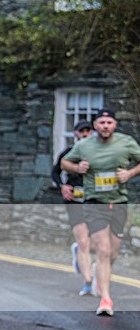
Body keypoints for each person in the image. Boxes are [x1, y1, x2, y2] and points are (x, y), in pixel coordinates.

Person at [62, 108, 140, 316]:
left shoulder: (126, 142)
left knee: (113, 252)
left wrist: (129, 173)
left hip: (118, 202)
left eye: (109, 122)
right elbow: (64, 162)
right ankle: (105, 299)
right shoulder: (84, 145)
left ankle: (100, 272)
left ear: (114, 125)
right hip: (94, 203)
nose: (105, 126)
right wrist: (77, 169)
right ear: (95, 125)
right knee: (103, 249)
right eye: (101, 123)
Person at [51, 120, 94, 295]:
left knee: (97, 243)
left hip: (96, 201)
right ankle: (88, 283)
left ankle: (79, 252)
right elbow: (55, 172)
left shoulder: (98, 154)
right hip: (75, 200)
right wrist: (62, 185)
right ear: (76, 134)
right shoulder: (68, 153)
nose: (84, 134)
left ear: (92, 133)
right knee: (84, 241)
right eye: (81, 131)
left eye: (88, 131)